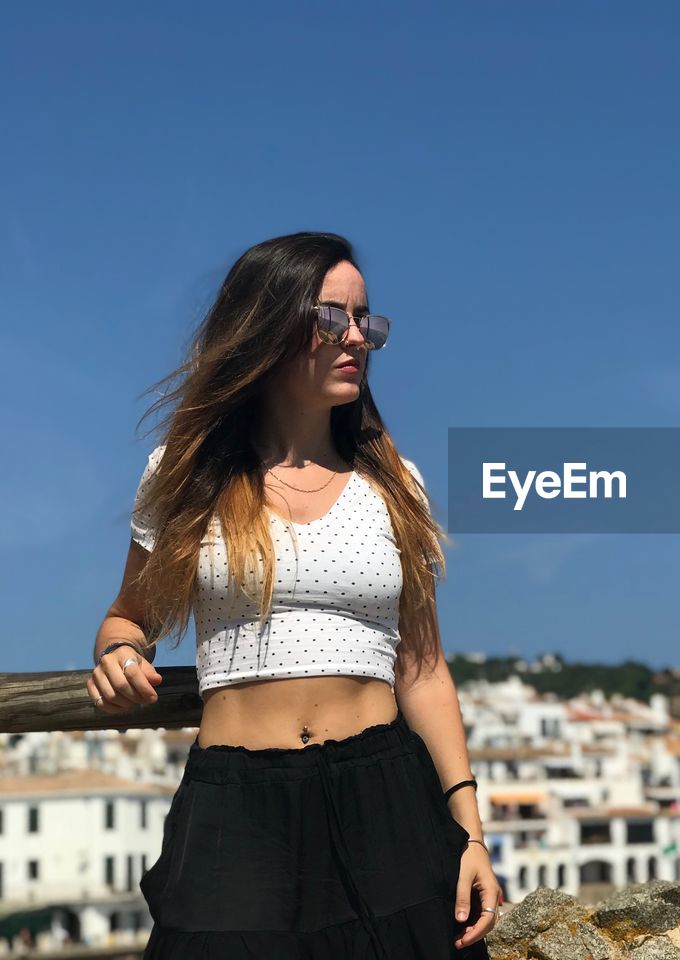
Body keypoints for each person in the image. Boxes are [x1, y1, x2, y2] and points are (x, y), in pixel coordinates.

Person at [89, 232, 497, 958]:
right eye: (332, 317)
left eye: (366, 321)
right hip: (234, 804)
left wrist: (469, 832)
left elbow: (424, 668)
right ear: (267, 323)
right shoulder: (184, 476)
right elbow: (130, 616)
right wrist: (120, 652)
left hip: (386, 797)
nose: (357, 338)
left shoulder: (395, 486)